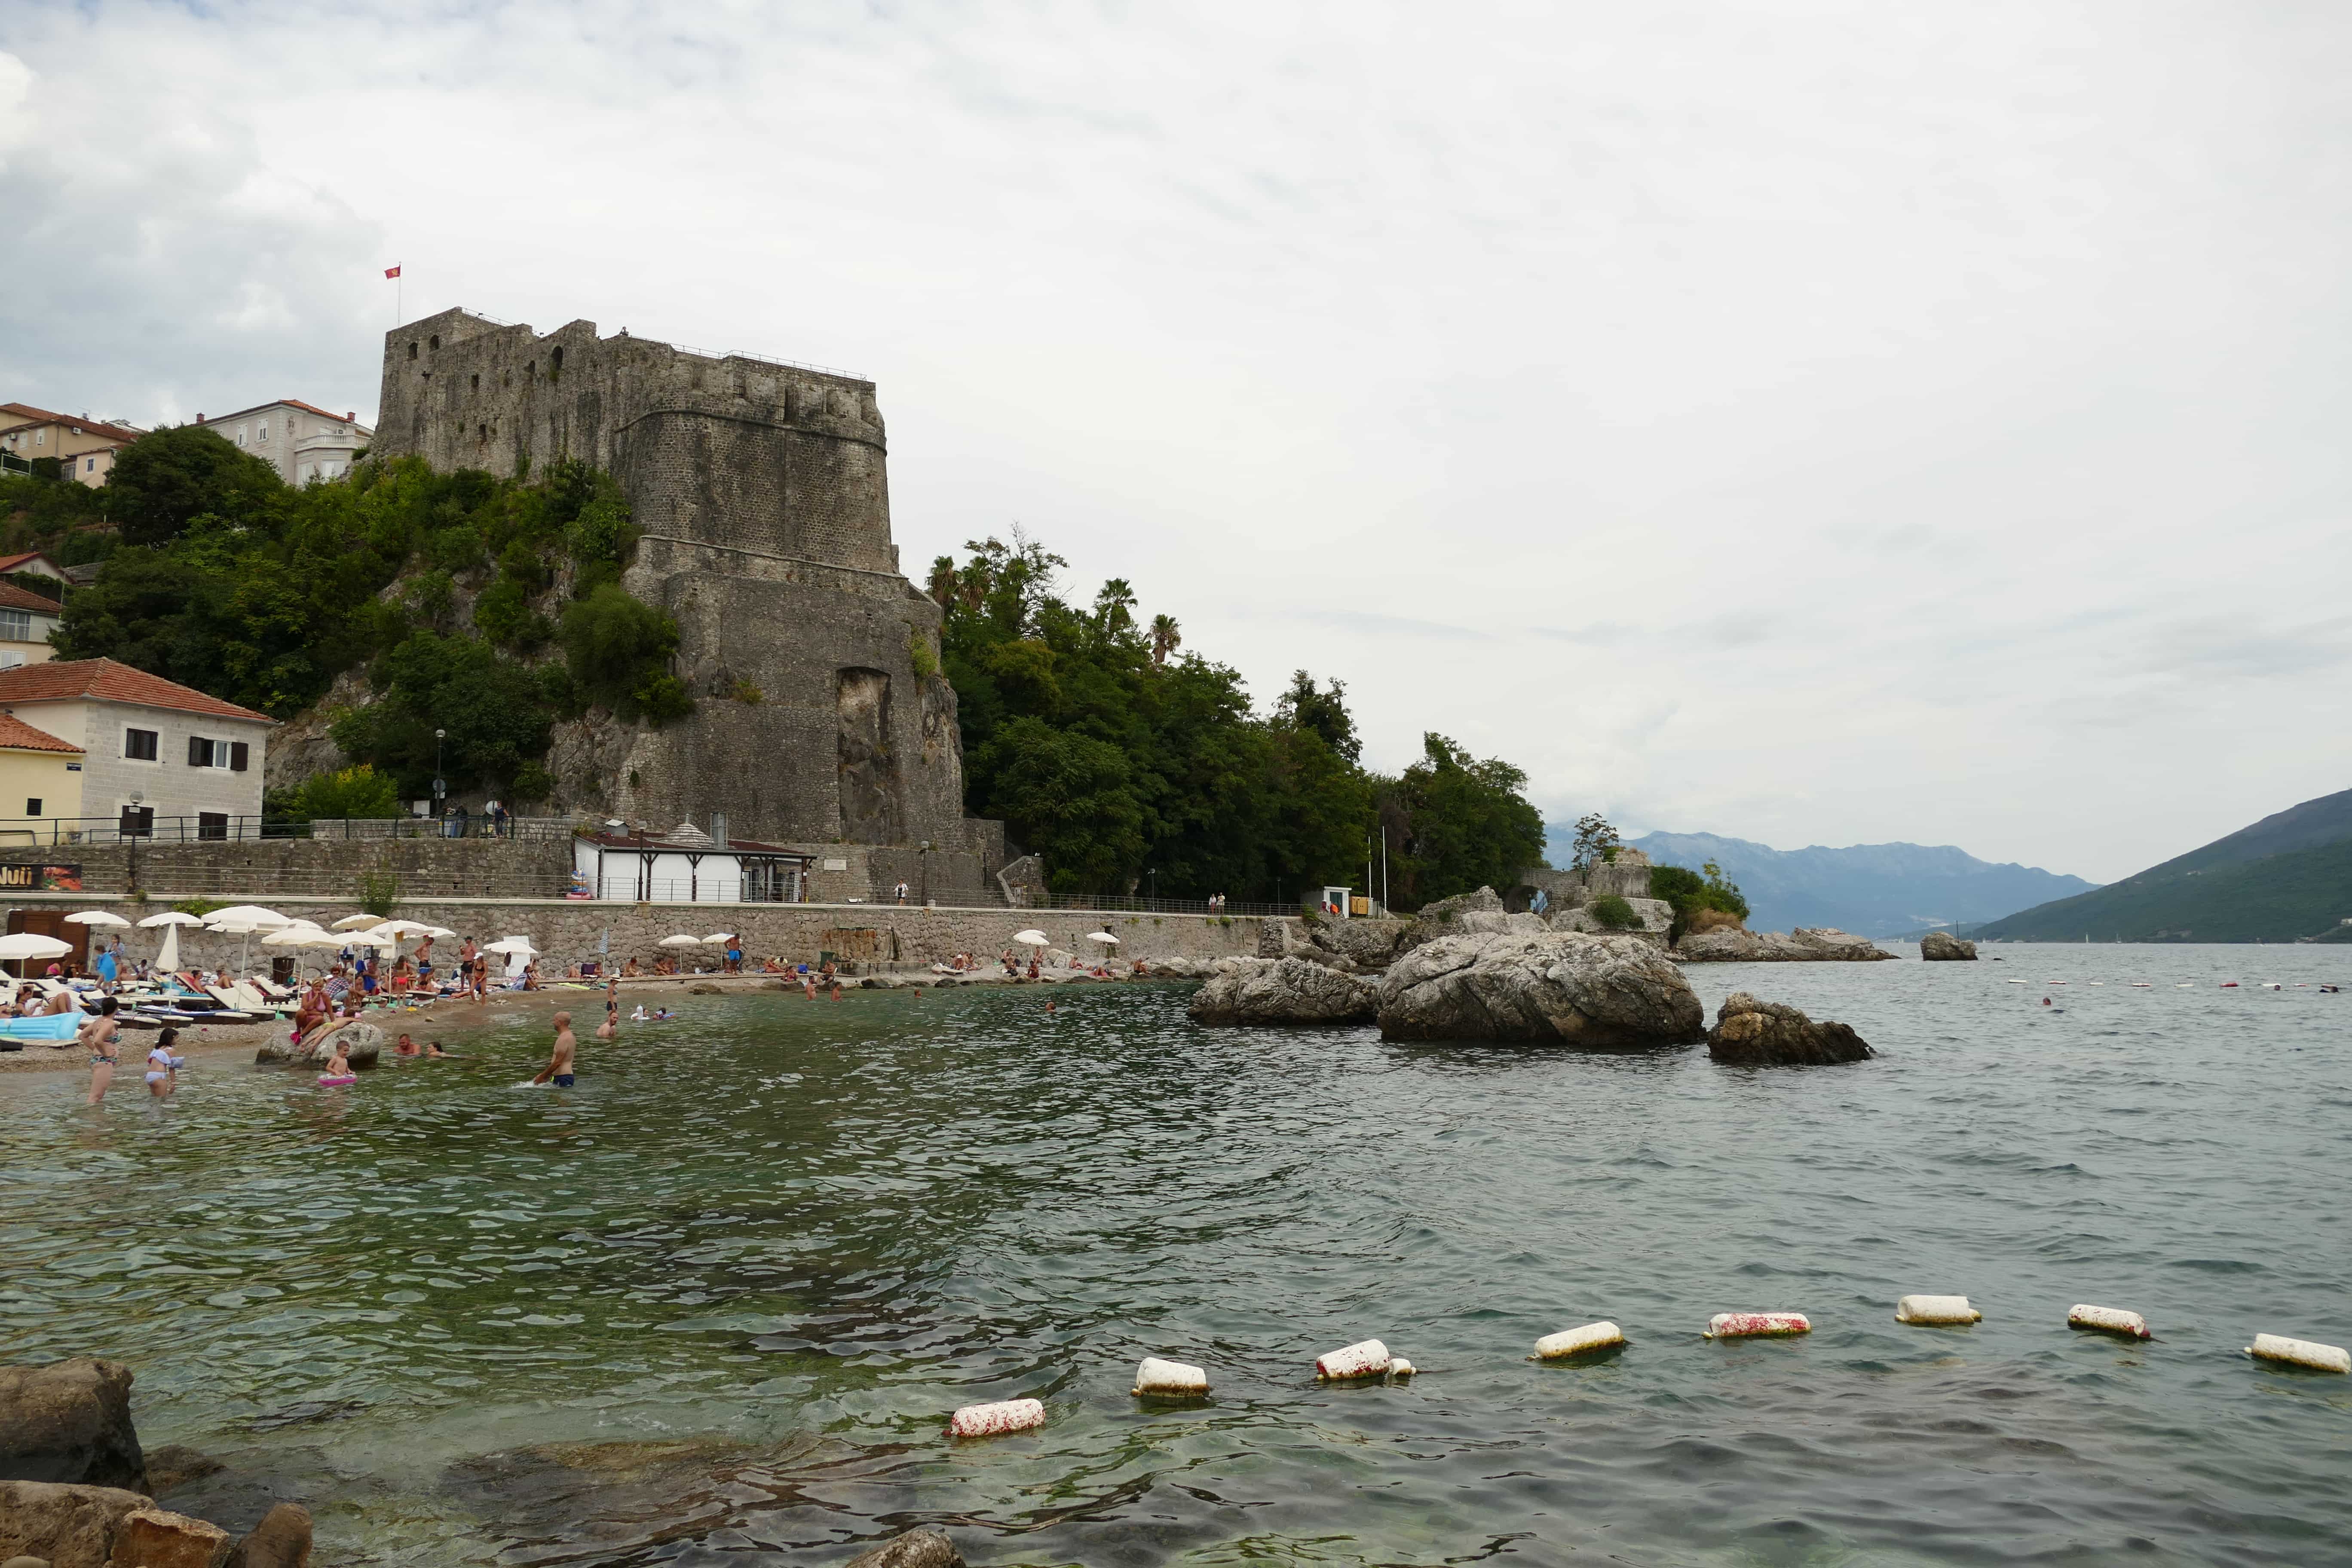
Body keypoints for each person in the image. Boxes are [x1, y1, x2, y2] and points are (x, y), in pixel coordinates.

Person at [82, 998, 121, 1105]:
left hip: (98, 1060)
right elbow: (97, 1040)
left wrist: (95, 1049)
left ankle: (98, 1119)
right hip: (104, 1061)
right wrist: (105, 1053)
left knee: (98, 1096)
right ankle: (90, 1118)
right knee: (95, 1097)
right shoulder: (109, 1023)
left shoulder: (98, 1022)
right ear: (117, 1008)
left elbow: (83, 1036)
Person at [533, 1012, 577, 1087]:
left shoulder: (564, 1039)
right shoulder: (568, 1036)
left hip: (563, 1078)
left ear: (559, 1022)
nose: (553, 1023)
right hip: (561, 1077)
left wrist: (542, 1076)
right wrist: (548, 1076)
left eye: (554, 1020)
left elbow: (558, 1062)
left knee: (562, 1099)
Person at [146, 1028, 185, 1100]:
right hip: (159, 1077)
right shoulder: (171, 1050)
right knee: (162, 1100)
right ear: (171, 1038)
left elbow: (150, 1062)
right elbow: (172, 1068)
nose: (178, 1041)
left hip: (150, 1076)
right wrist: (173, 1083)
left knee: (154, 1100)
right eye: (177, 1038)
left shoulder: (157, 1049)